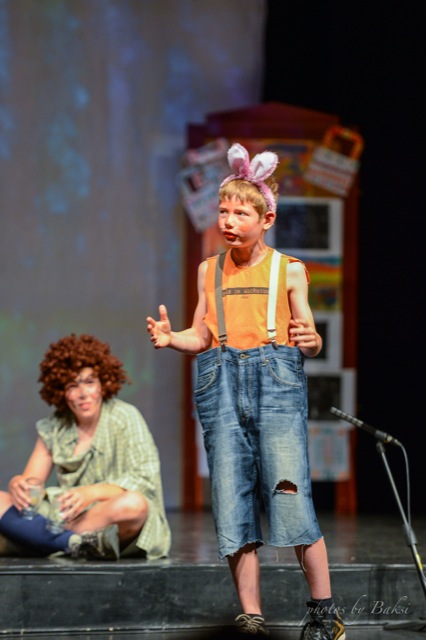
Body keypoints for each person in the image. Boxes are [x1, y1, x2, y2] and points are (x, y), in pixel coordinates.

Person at [146, 143, 345, 639]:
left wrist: (312, 340)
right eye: (223, 211)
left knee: (290, 496)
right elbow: (202, 335)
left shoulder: (288, 269)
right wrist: (173, 339)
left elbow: (309, 336)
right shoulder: (208, 270)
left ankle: (324, 613)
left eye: (240, 213)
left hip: (276, 386)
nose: (228, 221)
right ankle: (251, 615)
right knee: (231, 499)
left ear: (266, 219)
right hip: (223, 386)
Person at [0, 334, 171, 561]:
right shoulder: (55, 426)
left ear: (103, 383)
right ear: (61, 391)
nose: (83, 394)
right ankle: (73, 544)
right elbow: (32, 487)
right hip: (65, 516)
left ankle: (34, 540)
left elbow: (144, 482)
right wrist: (17, 485)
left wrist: (90, 494)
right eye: (73, 385)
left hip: (105, 516)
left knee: (134, 505)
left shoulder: (125, 416)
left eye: (90, 382)